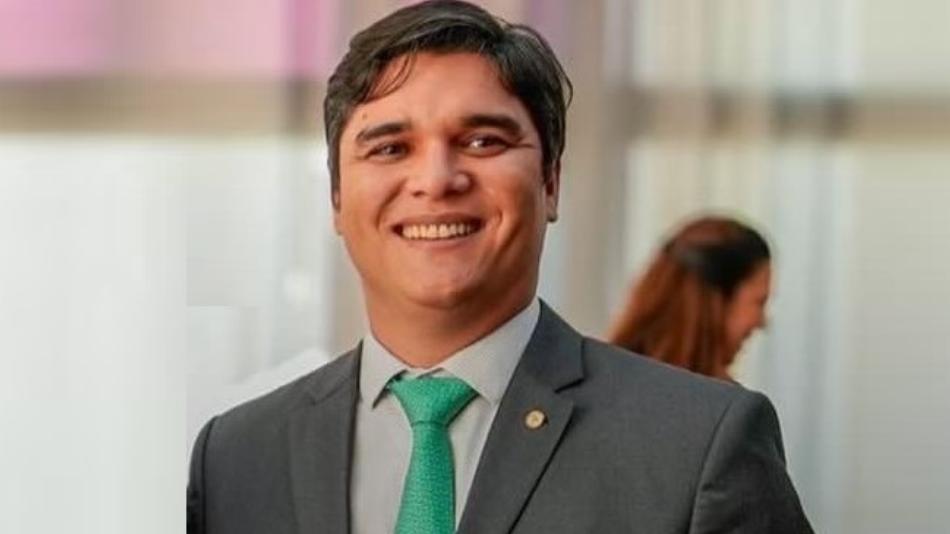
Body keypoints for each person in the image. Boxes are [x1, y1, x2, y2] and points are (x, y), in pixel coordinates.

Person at [187, 2, 813, 533]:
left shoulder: (696, 444)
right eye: (391, 148)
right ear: (336, 198)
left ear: (551, 182)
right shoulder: (236, 458)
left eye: (483, 141)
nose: (437, 179)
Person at [608, 215, 773, 380]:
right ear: (716, 302)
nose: (762, 322)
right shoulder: (717, 397)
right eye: (759, 302)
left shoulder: (606, 377)